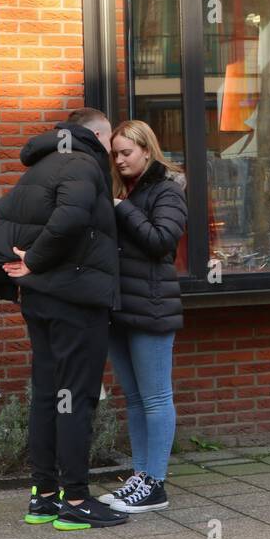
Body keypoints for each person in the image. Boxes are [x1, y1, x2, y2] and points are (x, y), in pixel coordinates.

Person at [0, 107, 127, 530]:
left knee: (48, 394)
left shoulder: (42, 165)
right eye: (109, 140)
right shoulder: (83, 163)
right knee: (77, 397)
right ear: (96, 135)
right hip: (73, 300)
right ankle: (75, 500)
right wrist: (35, 261)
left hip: (39, 300)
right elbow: (70, 218)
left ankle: (43, 497)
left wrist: (31, 266)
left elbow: (10, 219)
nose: (111, 150)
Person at [97, 119, 187, 513]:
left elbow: (161, 241)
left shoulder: (167, 190)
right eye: (115, 154)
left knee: (156, 398)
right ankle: (140, 475)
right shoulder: (124, 191)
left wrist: (123, 210)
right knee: (134, 399)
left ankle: (156, 483)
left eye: (126, 153)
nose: (118, 161)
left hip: (151, 307)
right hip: (120, 308)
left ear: (147, 151)